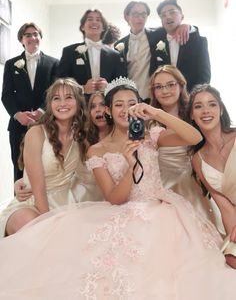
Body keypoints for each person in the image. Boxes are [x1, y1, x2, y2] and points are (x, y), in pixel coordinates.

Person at [0, 78, 236, 299]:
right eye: (119, 105)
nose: (126, 110)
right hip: (123, 211)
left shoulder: (151, 136)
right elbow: (115, 198)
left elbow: (194, 137)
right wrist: (130, 166)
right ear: (109, 111)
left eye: (132, 104)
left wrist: (156, 113)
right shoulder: (97, 150)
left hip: (163, 212)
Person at [0, 77, 87, 237]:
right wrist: (48, 225)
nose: (62, 103)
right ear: (50, 104)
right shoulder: (36, 133)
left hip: (65, 204)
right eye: (56, 98)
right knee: (31, 224)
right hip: (33, 203)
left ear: (78, 102)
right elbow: (38, 188)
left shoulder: (81, 137)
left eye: (68, 97)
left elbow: (84, 176)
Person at [149, 65, 215, 222]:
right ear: (153, 92)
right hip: (164, 188)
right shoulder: (150, 122)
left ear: (181, 85)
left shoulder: (194, 115)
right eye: (159, 87)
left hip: (195, 184)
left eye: (170, 85)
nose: (165, 91)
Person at [1, 22, 59, 181]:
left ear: (40, 37)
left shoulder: (54, 63)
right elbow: (6, 95)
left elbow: (54, 93)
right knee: (19, 166)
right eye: (28, 35)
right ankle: (20, 204)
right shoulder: (11, 64)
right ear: (21, 40)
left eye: (35, 34)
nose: (32, 37)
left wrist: (41, 111)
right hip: (18, 126)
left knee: (46, 165)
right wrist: (17, 114)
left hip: (46, 123)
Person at [188, 83, 236, 268]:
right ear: (192, 114)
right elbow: (225, 207)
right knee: (230, 259)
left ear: (221, 110)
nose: (205, 111)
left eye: (212, 104)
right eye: (198, 106)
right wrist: (233, 235)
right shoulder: (197, 159)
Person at [115, 0, 190, 101]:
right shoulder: (119, 45)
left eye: (143, 14)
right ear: (126, 17)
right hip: (131, 98)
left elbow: (175, 26)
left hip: (154, 96)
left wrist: (186, 26)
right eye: (135, 14)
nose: (140, 18)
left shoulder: (158, 34)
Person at [57, 9, 124, 96]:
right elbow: (60, 82)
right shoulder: (69, 52)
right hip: (80, 104)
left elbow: (122, 85)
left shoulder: (115, 55)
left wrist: (109, 87)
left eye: (98, 20)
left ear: (103, 27)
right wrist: (82, 88)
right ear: (82, 26)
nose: (94, 22)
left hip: (107, 105)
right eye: (90, 19)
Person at [156, 0, 211, 92]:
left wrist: (194, 98)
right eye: (163, 15)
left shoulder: (198, 42)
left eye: (172, 12)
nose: (168, 16)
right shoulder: (157, 44)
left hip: (190, 98)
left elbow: (204, 76)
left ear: (182, 16)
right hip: (165, 98)